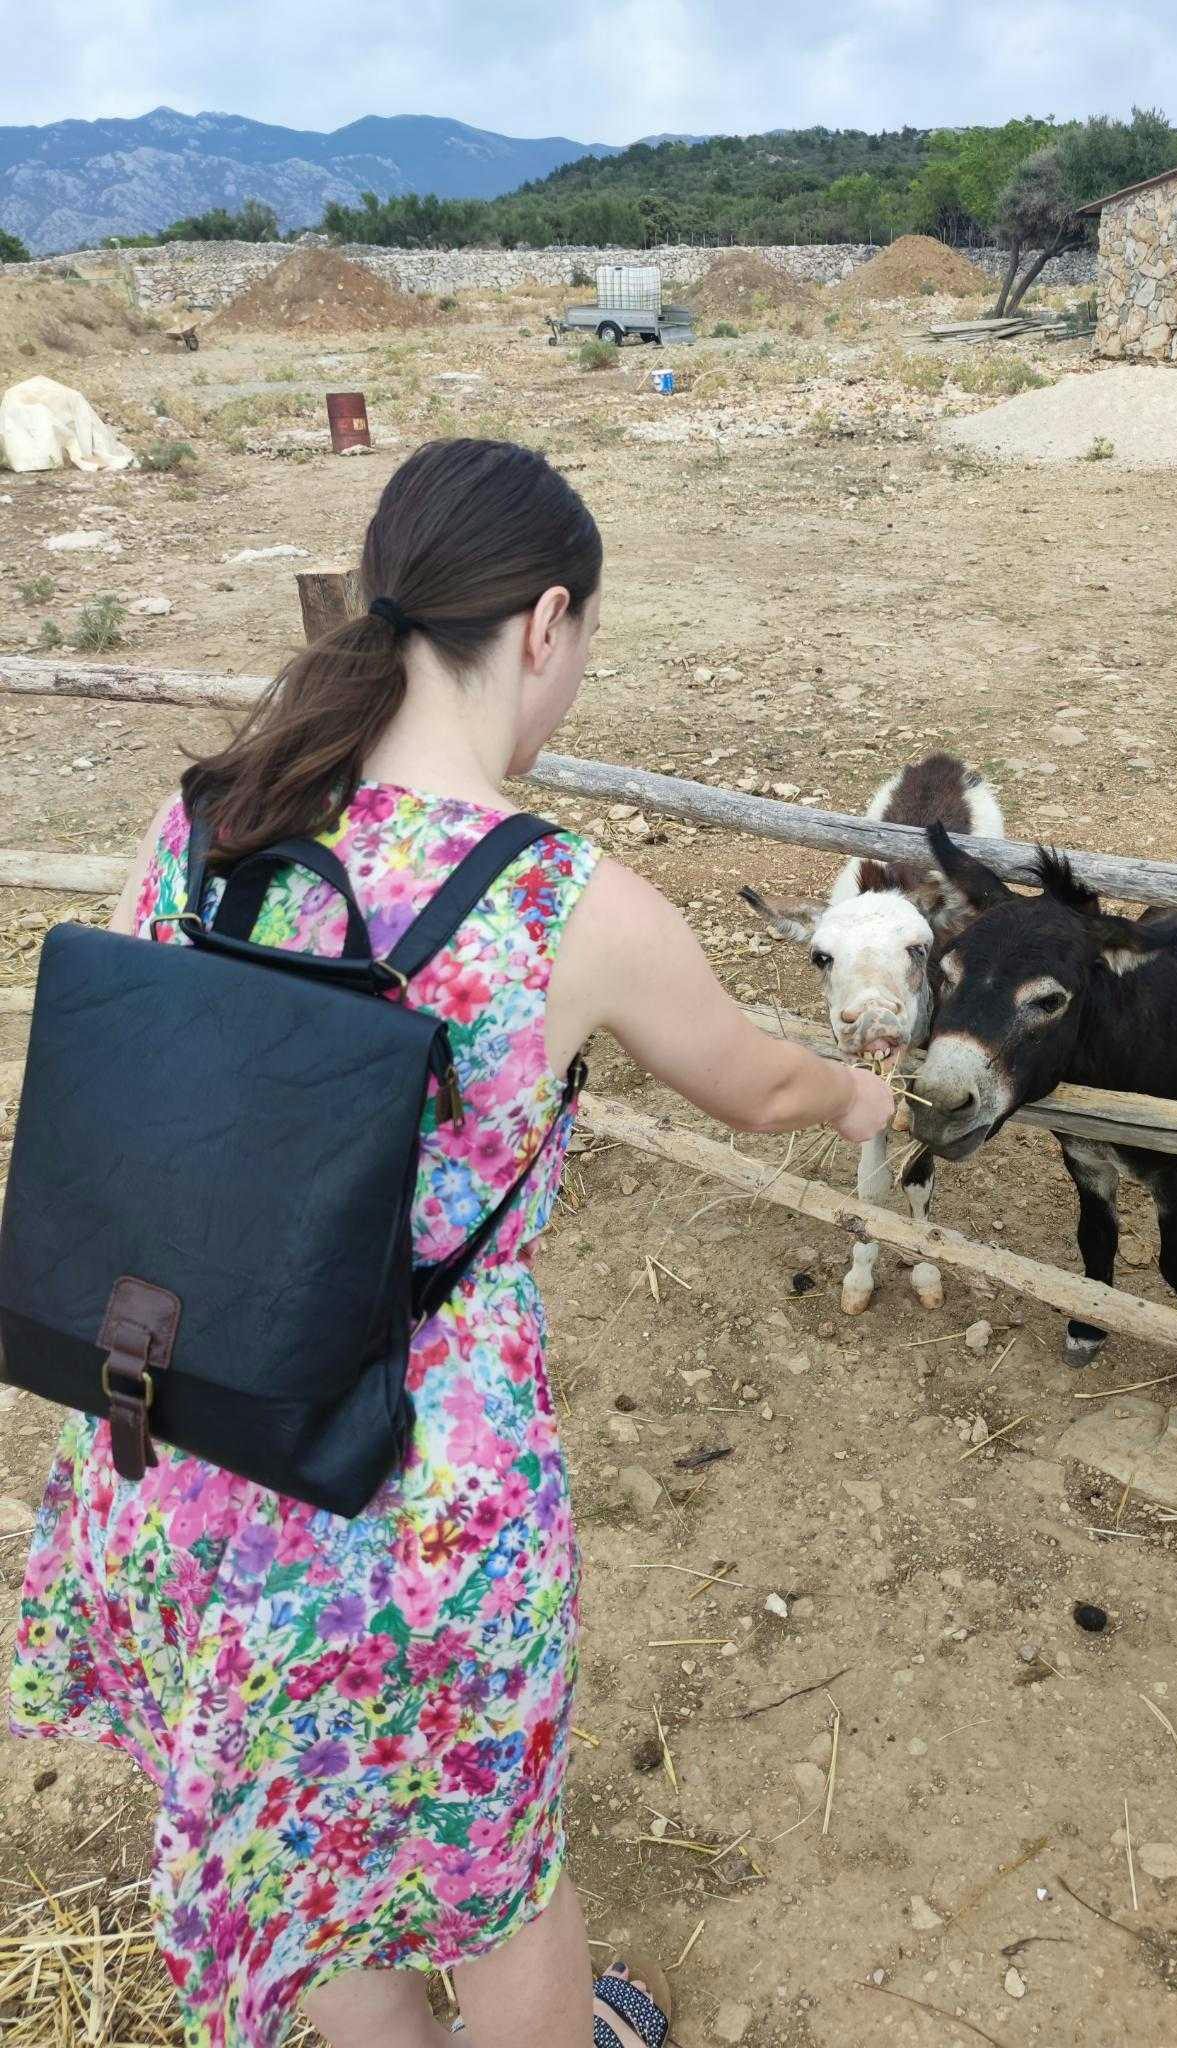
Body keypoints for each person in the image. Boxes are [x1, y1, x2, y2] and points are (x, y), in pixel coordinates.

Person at [7, 438, 893, 2048]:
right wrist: (853, 1090)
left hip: (184, 1420)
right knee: (491, 1863)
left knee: (316, 1826)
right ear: (547, 623)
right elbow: (752, 1084)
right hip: (407, 1485)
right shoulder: (571, 903)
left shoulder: (211, 812)